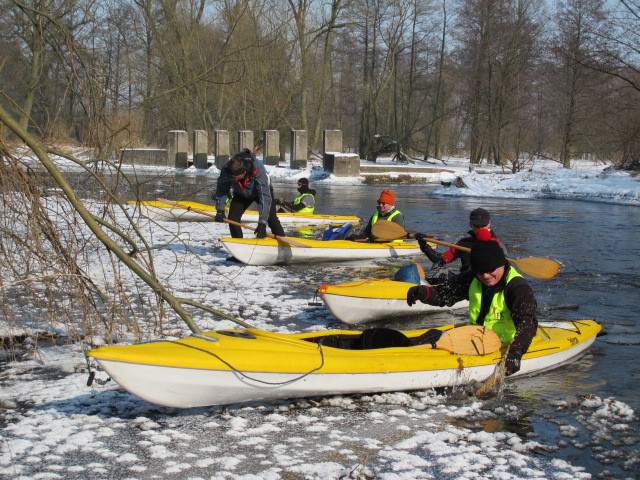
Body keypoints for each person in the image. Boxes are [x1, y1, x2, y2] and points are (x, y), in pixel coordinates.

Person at [406, 241, 538, 376]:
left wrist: (516, 351)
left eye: (490, 270)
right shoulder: (473, 277)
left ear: (501, 265)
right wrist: (423, 292)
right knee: (432, 335)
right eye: (480, 272)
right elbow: (444, 294)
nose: (486, 276)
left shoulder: (518, 288)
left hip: (502, 344)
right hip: (473, 336)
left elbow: (527, 323)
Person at [213, 148, 285, 239]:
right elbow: (222, 190)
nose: (234, 179)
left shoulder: (258, 170)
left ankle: (283, 241)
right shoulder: (227, 169)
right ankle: (238, 243)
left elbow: (264, 197)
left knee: (271, 218)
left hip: (261, 192)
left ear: (244, 172)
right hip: (241, 192)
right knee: (232, 218)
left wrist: (262, 223)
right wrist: (220, 210)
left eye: (236, 177)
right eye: (233, 177)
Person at [415, 208, 504, 273]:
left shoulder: (498, 245)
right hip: (465, 282)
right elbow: (440, 260)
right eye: (477, 226)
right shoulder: (463, 243)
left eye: (483, 225)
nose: (480, 229)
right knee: (436, 271)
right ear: (471, 225)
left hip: (487, 283)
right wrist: (424, 245)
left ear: (489, 224)